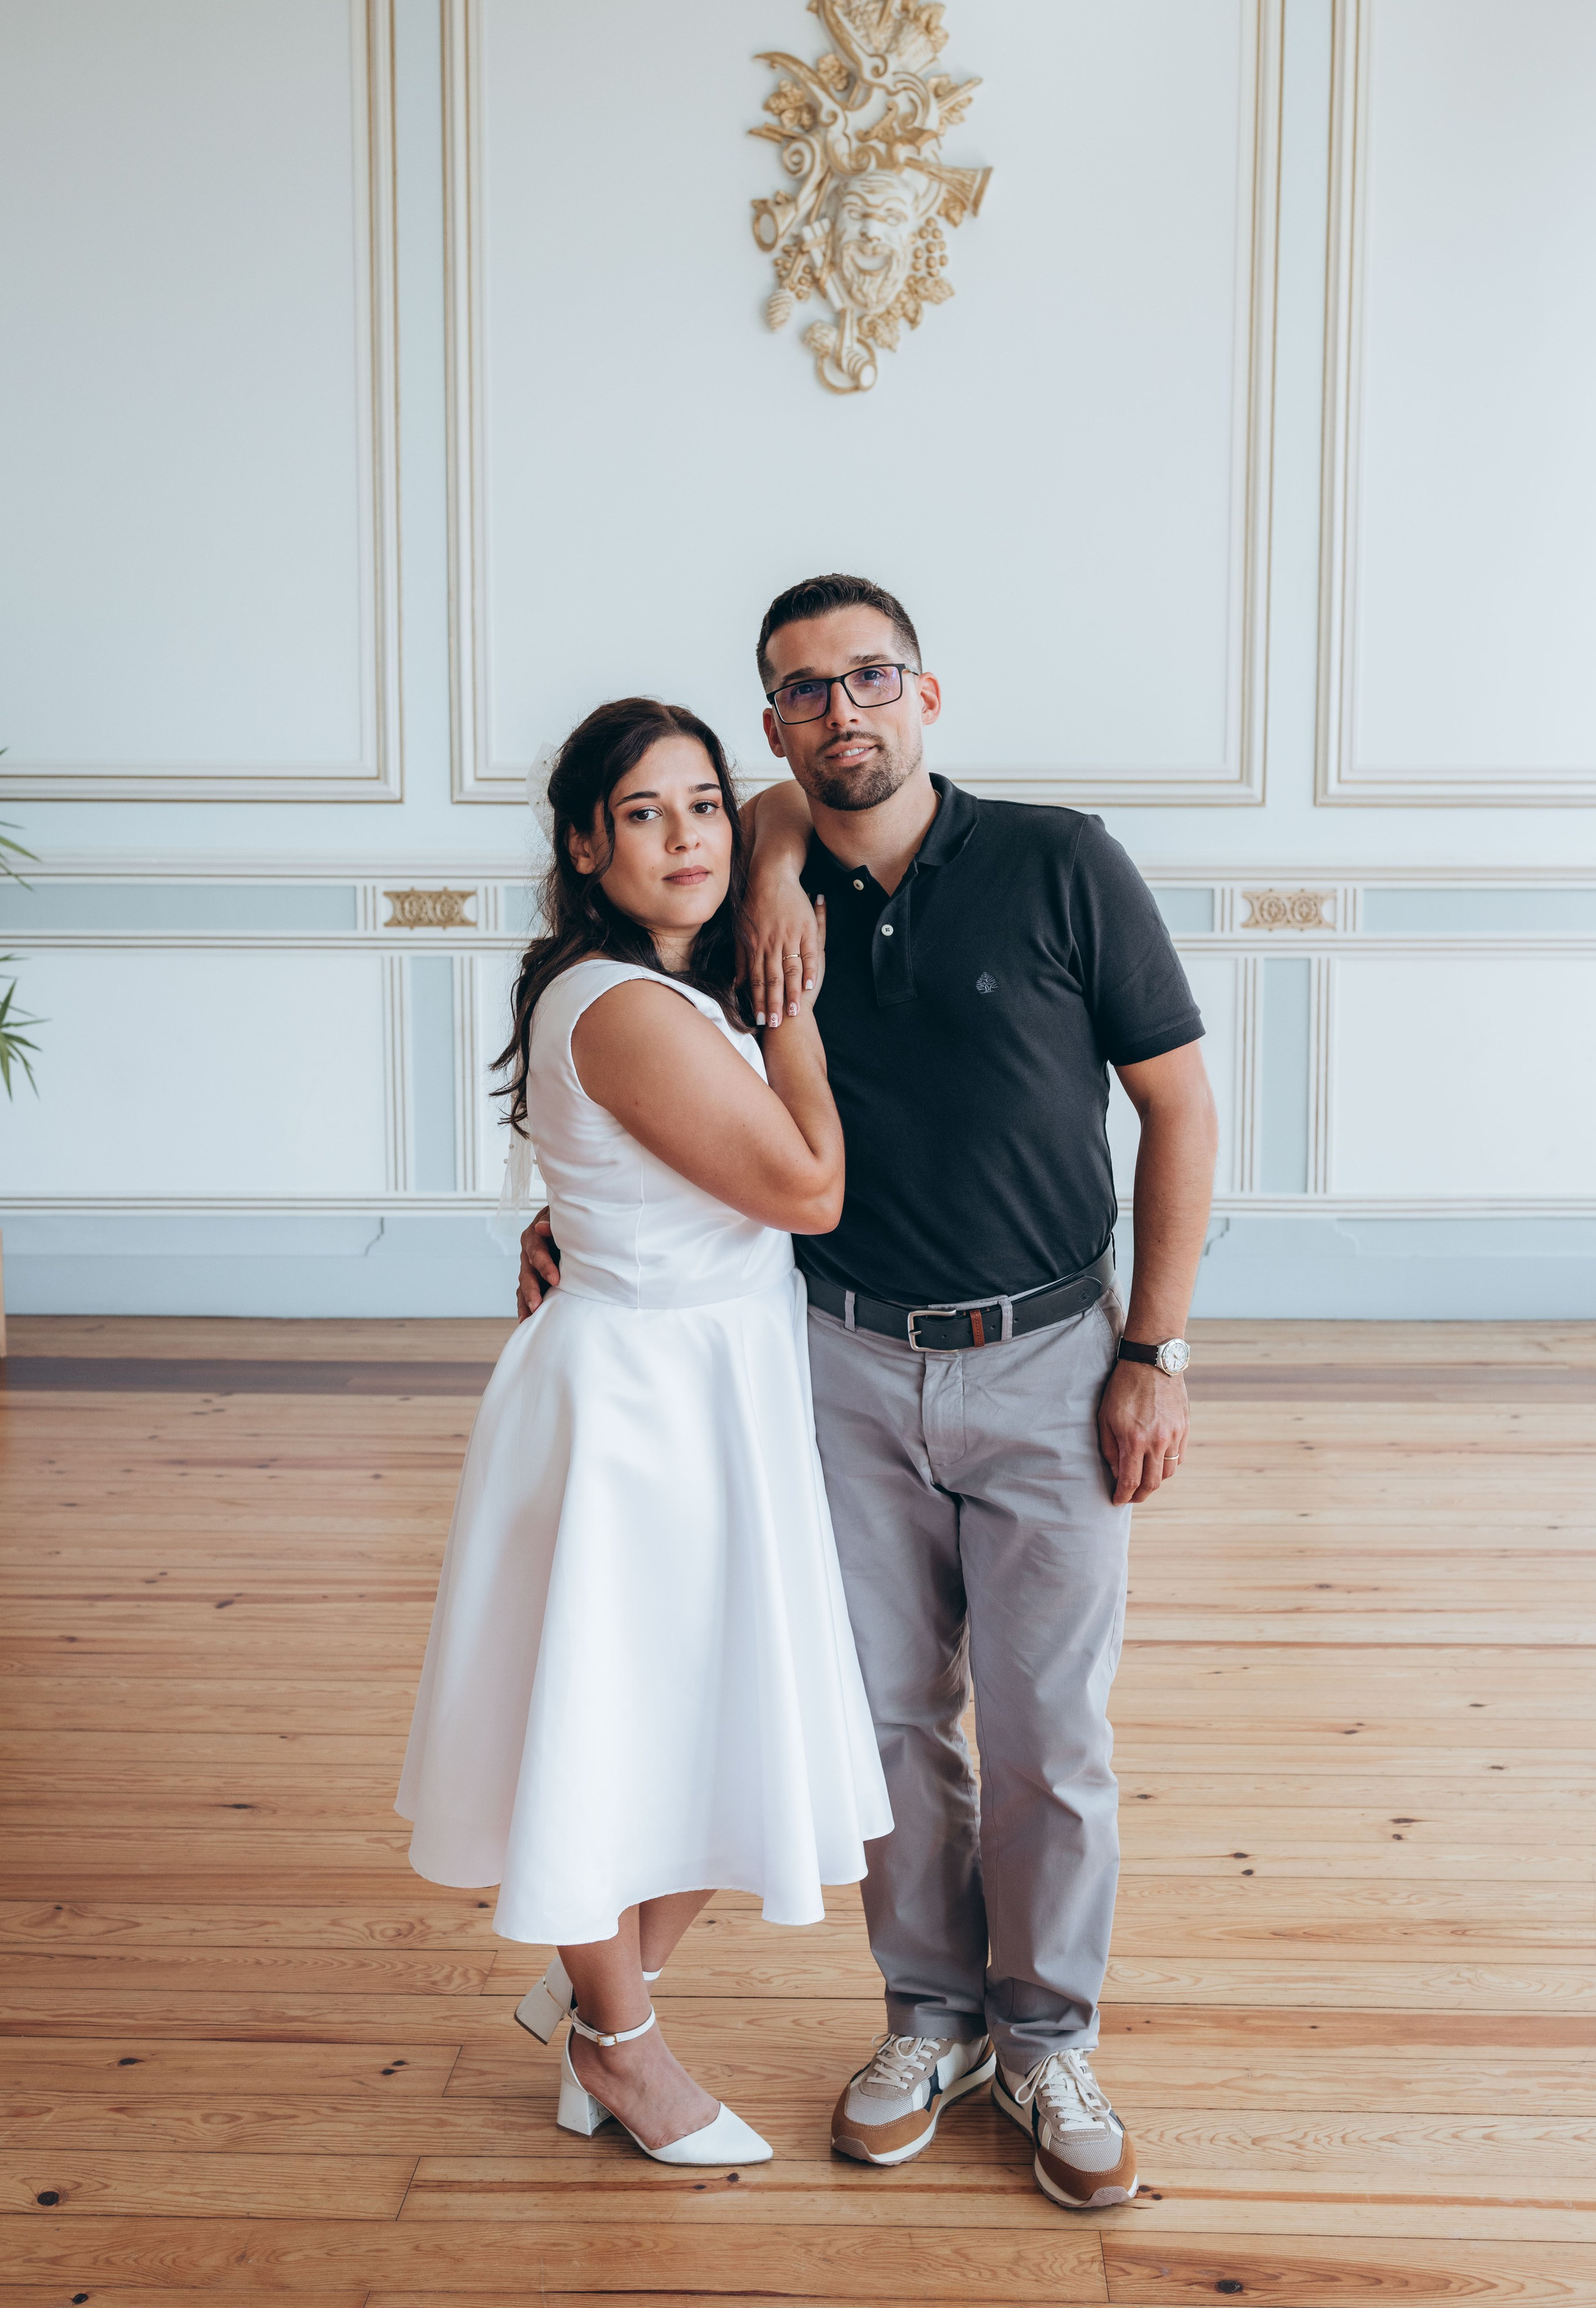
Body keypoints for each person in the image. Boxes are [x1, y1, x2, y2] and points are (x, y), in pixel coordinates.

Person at [521, 578, 1218, 2210]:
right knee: (887, 1729)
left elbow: (1179, 1111)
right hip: (828, 1358)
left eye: (872, 677)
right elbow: (654, 1095)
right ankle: (930, 2019)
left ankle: (1047, 2033)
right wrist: (571, 1220)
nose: (847, 711)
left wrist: (1153, 1348)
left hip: (1055, 1356)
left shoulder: (1060, 861)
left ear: (929, 691)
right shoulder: (738, 886)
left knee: (1052, 1736)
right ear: (775, 725)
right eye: (807, 692)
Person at [399, 696, 891, 2171]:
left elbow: (783, 810)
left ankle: (595, 1988)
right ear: (580, 843)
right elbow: (807, 1190)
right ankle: (616, 2043)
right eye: (641, 813)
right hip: (639, 1412)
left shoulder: (670, 967)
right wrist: (788, 989)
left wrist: (777, 863)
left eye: (700, 805)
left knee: (716, 1730)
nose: (685, 837)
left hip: (711, 1383)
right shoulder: (621, 1004)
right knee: (619, 1732)